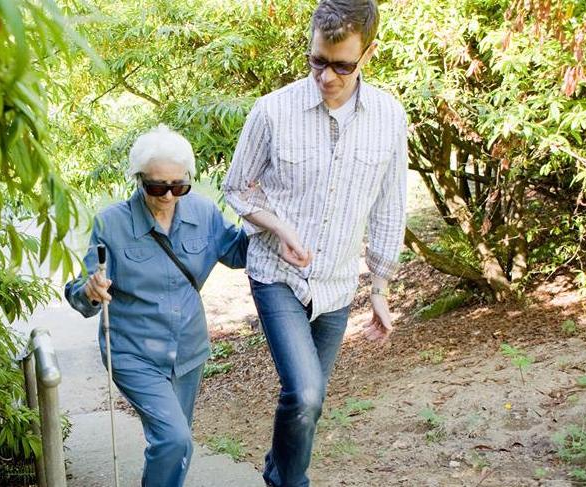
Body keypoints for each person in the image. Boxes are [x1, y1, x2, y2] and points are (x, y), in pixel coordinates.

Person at [221, 1, 407, 485]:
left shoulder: (389, 117)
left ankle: (278, 474)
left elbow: (389, 206)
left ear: (368, 54)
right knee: (303, 393)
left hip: (337, 284)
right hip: (277, 274)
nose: (326, 77)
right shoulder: (273, 110)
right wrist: (281, 229)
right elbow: (237, 187)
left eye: (342, 66)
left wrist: (380, 289)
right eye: (317, 61)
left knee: (310, 403)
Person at [65, 125, 248, 487]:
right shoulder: (111, 224)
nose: (167, 195)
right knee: (174, 438)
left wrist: (268, 220)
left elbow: (240, 252)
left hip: (188, 351)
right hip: (133, 352)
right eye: (156, 187)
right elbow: (80, 292)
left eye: (178, 187)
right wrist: (90, 290)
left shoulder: (204, 213)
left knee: (176, 445)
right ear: (139, 180)